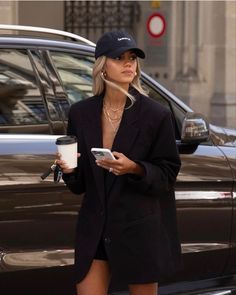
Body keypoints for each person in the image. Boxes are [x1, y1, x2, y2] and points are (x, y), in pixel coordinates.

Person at [57, 30, 181, 295]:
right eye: (119, 57)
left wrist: (134, 168)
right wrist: (67, 169)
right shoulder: (81, 113)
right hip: (95, 228)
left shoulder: (155, 115)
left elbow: (168, 174)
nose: (128, 63)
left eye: (132, 58)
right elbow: (78, 185)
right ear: (103, 66)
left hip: (138, 228)